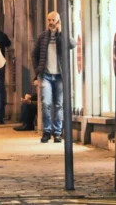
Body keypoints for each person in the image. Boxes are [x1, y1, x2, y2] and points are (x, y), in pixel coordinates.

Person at [32, 11, 76, 144]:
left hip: (60, 76)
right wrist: (38, 71)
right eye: (49, 20)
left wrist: (61, 32)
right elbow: (35, 54)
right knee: (45, 103)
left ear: (58, 22)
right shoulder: (42, 36)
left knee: (58, 104)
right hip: (46, 75)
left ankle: (57, 133)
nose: (51, 22)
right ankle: (46, 131)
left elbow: (71, 45)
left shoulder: (62, 35)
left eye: (53, 20)